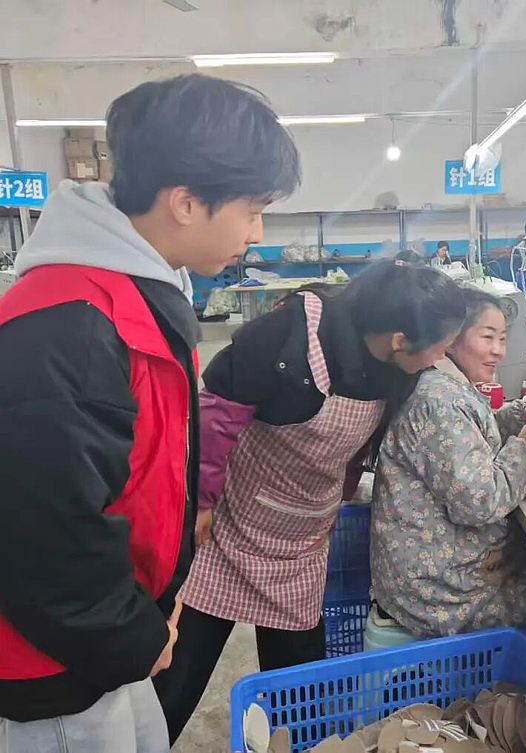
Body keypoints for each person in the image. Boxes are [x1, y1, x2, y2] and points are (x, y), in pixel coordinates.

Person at [0, 74, 299, 753]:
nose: (257, 232)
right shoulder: (67, 324)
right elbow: (44, 537)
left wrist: (158, 600)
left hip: (113, 632)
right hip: (61, 662)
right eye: (253, 210)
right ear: (186, 202)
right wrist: (131, 635)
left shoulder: (137, 294)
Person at [154, 261, 466, 743]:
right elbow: (215, 416)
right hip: (228, 525)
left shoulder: (397, 370)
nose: (442, 359)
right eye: (440, 347)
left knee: (299, 694)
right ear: (399, 340)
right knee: (178, 672)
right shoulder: (293, 335)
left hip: (303, 543)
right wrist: (204, 499)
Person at [371, 286, 526, 666]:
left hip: (432, 573)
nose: (499, 351)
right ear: (450, 338)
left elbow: (467, 436)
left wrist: (522, 415)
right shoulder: (440, 401)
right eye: (487, 337)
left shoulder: (443, 385)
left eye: (503, 339)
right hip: (440, 595)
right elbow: (479, 503)